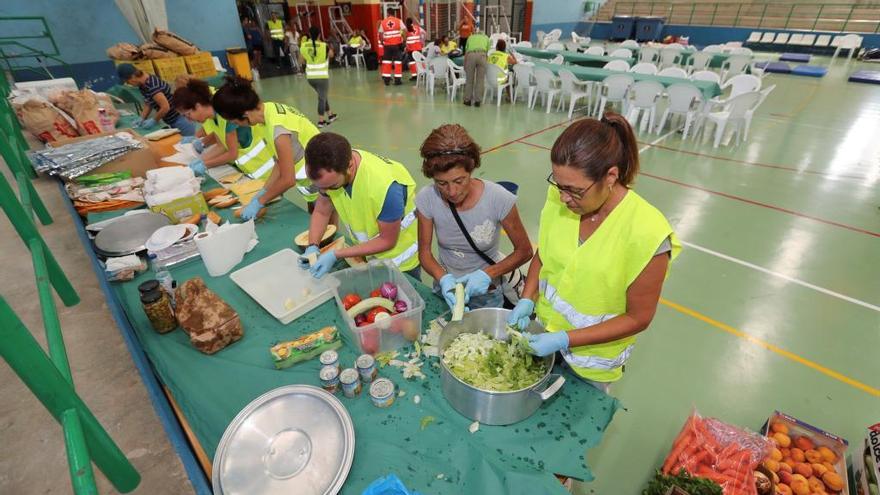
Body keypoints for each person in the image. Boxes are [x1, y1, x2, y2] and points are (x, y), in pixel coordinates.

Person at [506, 114, 680, 393]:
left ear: (611, 176)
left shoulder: (648, 235)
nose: (563, 198)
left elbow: (638, 318)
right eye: (559, 185)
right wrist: (527, 299)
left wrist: (565, 338)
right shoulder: (562, 197)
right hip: (543, 339)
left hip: (591, 365)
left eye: (574, 191)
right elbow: (544, 255)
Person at [416, 124, 532, 310]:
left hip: (487, 292)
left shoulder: (498, 198)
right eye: (441, 183)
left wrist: (488, 274)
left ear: (471, 170)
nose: (452, 192)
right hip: (447, 290)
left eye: (459, 181)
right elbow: (425, 253)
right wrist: (443, 278)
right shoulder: (427, 198)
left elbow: (524, 251)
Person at [302, 132, 420, 279]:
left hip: (400, 262)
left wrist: (336, 254)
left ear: (350, 166)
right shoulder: (333, 171)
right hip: (368, 253)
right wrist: (312, 245)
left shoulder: (385, 188)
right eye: (320, 186)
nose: (325, 191)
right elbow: (322, 211)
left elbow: (387, 240)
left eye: (331, 186)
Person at [212, 76, 321, 220]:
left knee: (326, 225)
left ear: (245, 113)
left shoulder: (278, 130)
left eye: (234, 121)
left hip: (323, 178)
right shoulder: (267, 113)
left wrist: (260, 201)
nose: (237, 125)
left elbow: (288, 180)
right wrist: (263, 191)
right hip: (311, 181)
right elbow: (280, 162)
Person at [171, 79, 250, 175]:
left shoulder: (225, 114)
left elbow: (232, 154)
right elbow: (221, 146)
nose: (188, 120)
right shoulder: (212, 117)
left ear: (198, 106)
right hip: (245, 162)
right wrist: (198, 161)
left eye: (188, 114)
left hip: (254, 160)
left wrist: (205, 164)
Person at [116, 63, 195, 136]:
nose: (128, 84)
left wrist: (154, 120)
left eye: (127, 81)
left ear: (133, 77)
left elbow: (165, 107)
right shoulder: (142, 84)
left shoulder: (152, 86)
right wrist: (142, 117)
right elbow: (149, 102)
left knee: (189, 143)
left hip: (180, 119)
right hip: (171, 119)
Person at [299, 26, 338, 128]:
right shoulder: (323, 45)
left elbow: (301, 61)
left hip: (310, 78)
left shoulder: (304, 45)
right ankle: (321, 121)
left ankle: (330, 115)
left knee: (322, 95)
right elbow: (331, 55)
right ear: (319, 34)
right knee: (322, 98)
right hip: (321, 77)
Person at [462, 29, 490, 107]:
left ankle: (467, 100)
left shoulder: (470, 37)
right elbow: (487, 51)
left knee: (469, 79)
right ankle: (477, 101)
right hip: (482, 55)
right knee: (480, 80)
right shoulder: (486, 38)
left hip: (471, 55)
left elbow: (466, 52)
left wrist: (465, 64)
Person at [379, 12, 405, 85]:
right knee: (397, 62)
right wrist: (404, 41)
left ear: (388, 14)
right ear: (394, 14)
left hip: (387, 46)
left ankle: (386, 80)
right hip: (397, 45)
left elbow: (380, 34)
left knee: (387, 62)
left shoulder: (383, 22)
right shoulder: (398, 21)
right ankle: (397, 80)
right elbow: (404, 30)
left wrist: (382, 42)